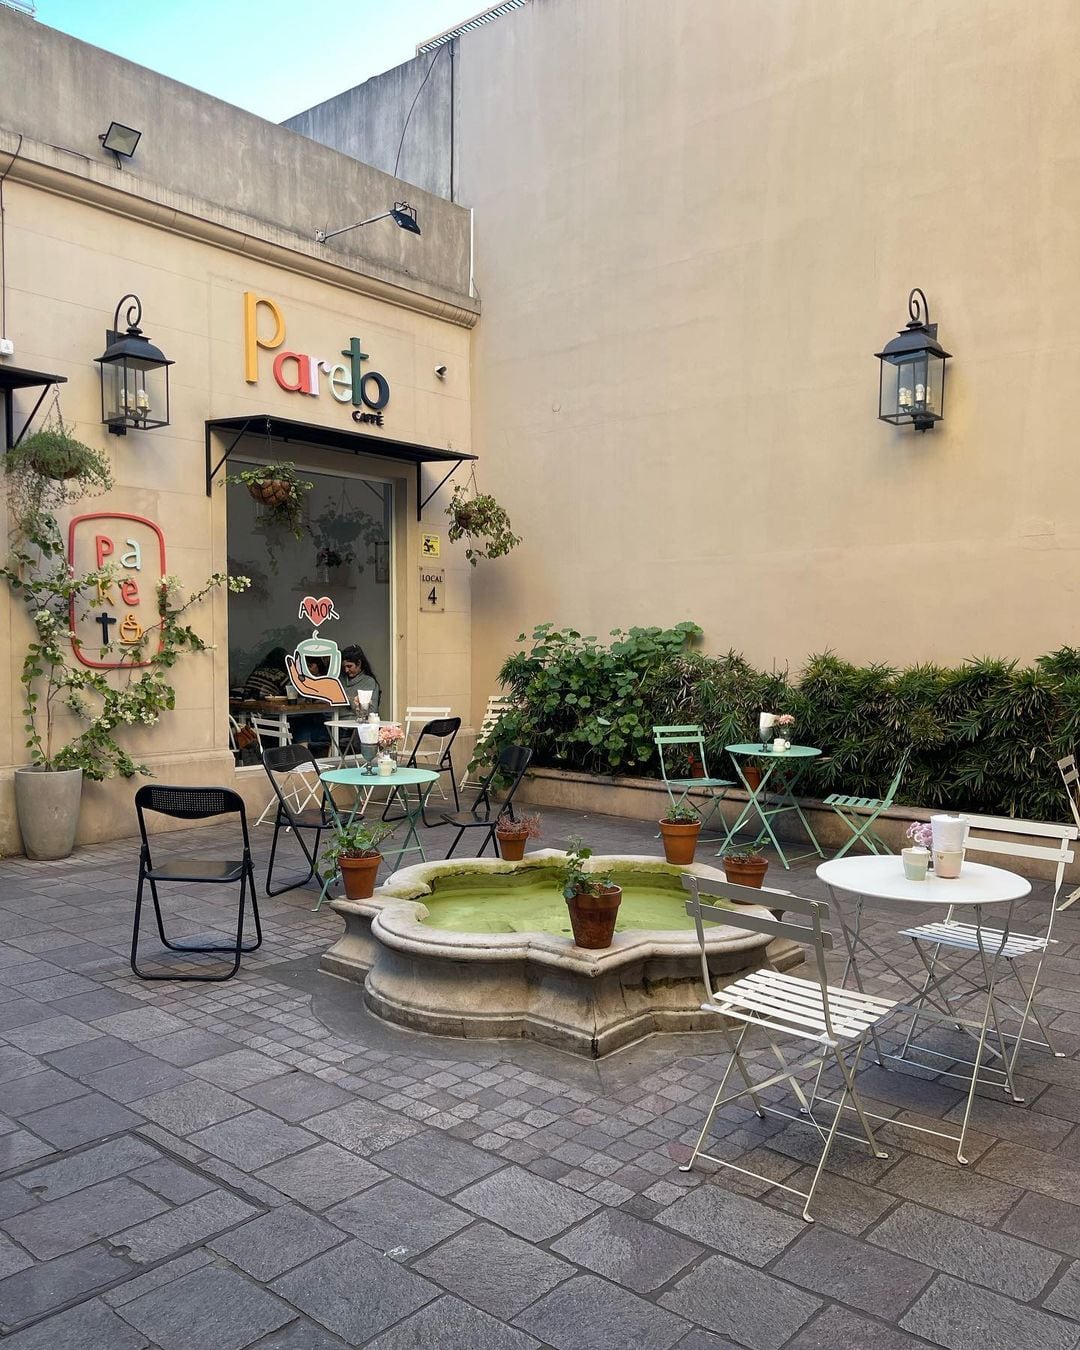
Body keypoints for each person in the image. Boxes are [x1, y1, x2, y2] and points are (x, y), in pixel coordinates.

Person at [340, 644, 381, 714]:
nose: (346, 670)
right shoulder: (340, 680)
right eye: (344, 667)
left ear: (359, 663)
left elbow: (371, 712)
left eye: (349, 666)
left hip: (357, 722)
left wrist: (348, 699)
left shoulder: (369, 682)